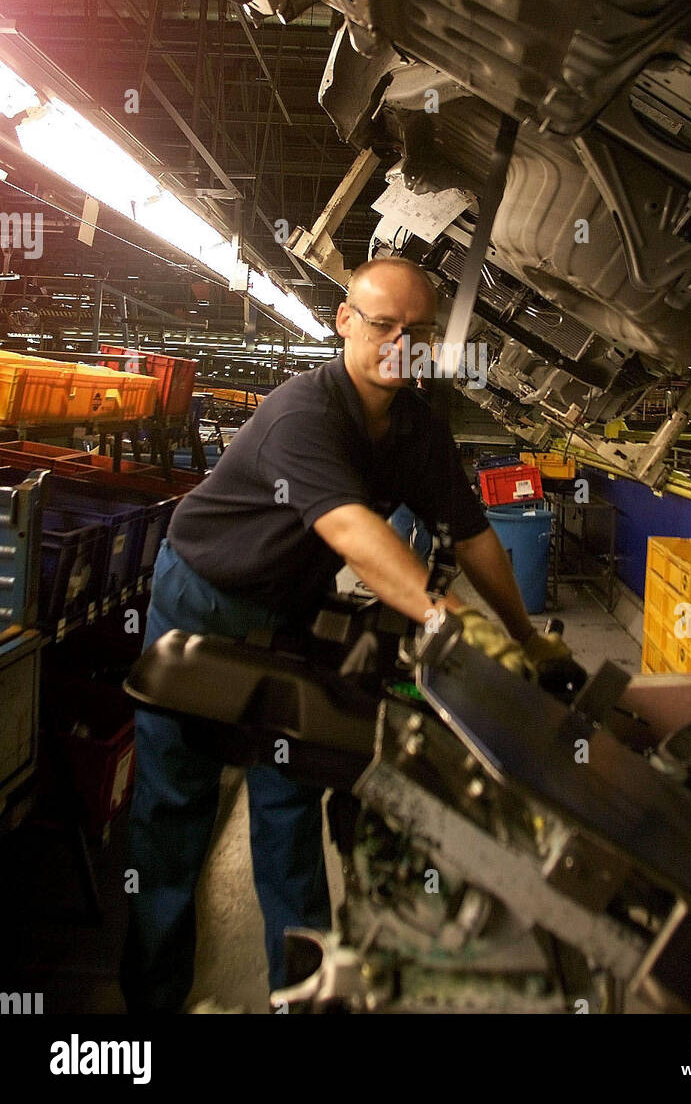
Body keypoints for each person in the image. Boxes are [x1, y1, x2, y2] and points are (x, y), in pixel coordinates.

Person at [120, 256, 575, 1013]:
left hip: (290, 608)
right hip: (204, 596)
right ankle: (153, 1005)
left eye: (419, 331)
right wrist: (444, 617)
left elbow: (469, 533)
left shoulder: (417, 430)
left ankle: (299, 995)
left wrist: (524, 637)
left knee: (290, 797)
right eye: (383, 324)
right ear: (343, 321)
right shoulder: (304, 414)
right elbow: (349, 527)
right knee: (175, 806)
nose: (401, 343)